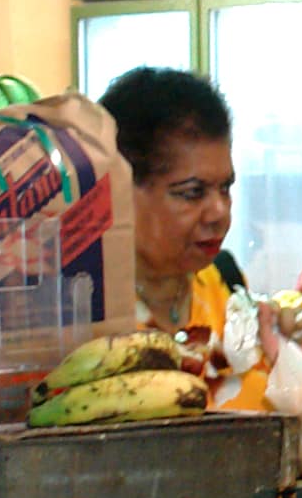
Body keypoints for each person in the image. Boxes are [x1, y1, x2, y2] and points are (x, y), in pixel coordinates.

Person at [102, 66, 239, 335]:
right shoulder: (82, 320)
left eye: (225, 188)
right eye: (192, 193)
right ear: (117, 190)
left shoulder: (225, 284)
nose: (219, 212)